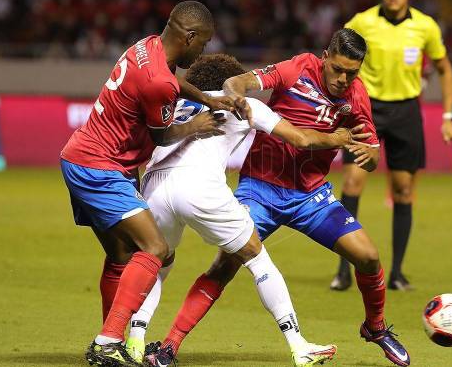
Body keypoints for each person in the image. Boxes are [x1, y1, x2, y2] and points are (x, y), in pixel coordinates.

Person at [147, 29, 411, 367]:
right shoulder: (296, 69)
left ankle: (374, 328)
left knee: (369, 258)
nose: (344, 79)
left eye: (353, 72)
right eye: (339, 69)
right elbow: (238, 83)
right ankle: (169, 346)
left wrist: (366, 154)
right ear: (325, 57)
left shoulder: (357, 96)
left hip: (311, 196)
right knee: (225, 265)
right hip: (260, 189)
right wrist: (238, 96)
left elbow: (372, 155)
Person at [59, 2, 239, 367]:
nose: (202, 50)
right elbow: (161, 136)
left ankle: (111, 341)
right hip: (99, 167)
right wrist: (196, 126)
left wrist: (206, 97)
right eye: (202, 43)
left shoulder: (148, 46)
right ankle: (107, 341)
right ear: (189, 36)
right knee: (156, 249)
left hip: (85, 157)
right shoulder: (158, 82)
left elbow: (172, 82)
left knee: (121, 257)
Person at [331, 0, 452, 292]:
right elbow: (336, 57)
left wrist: (449, 116)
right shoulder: (362, 21)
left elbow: (445, 68)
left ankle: (397, 273)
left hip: (406, 113)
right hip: (367, 109)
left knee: (403, 191)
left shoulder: (425, 26)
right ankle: (343, 272)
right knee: (351, 184)